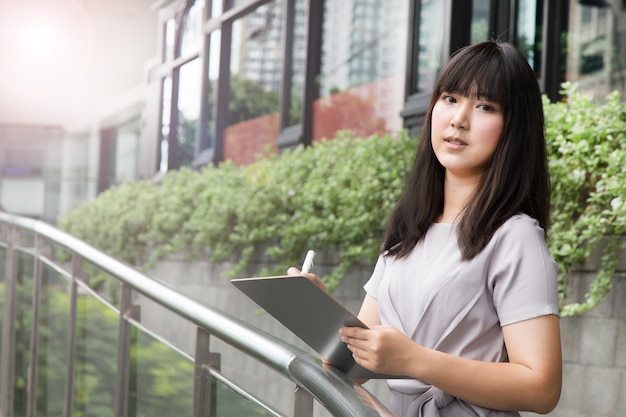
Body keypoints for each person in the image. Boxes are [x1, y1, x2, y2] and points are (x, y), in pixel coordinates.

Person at [288, 40, 562, 416]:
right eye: (450, 98)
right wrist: (314, 311)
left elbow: (541, 388)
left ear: (514, 128)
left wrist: (416, 361)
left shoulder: (515, 236)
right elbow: (353, 366)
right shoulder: (408, 227)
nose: (458, 119)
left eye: (484, 106)